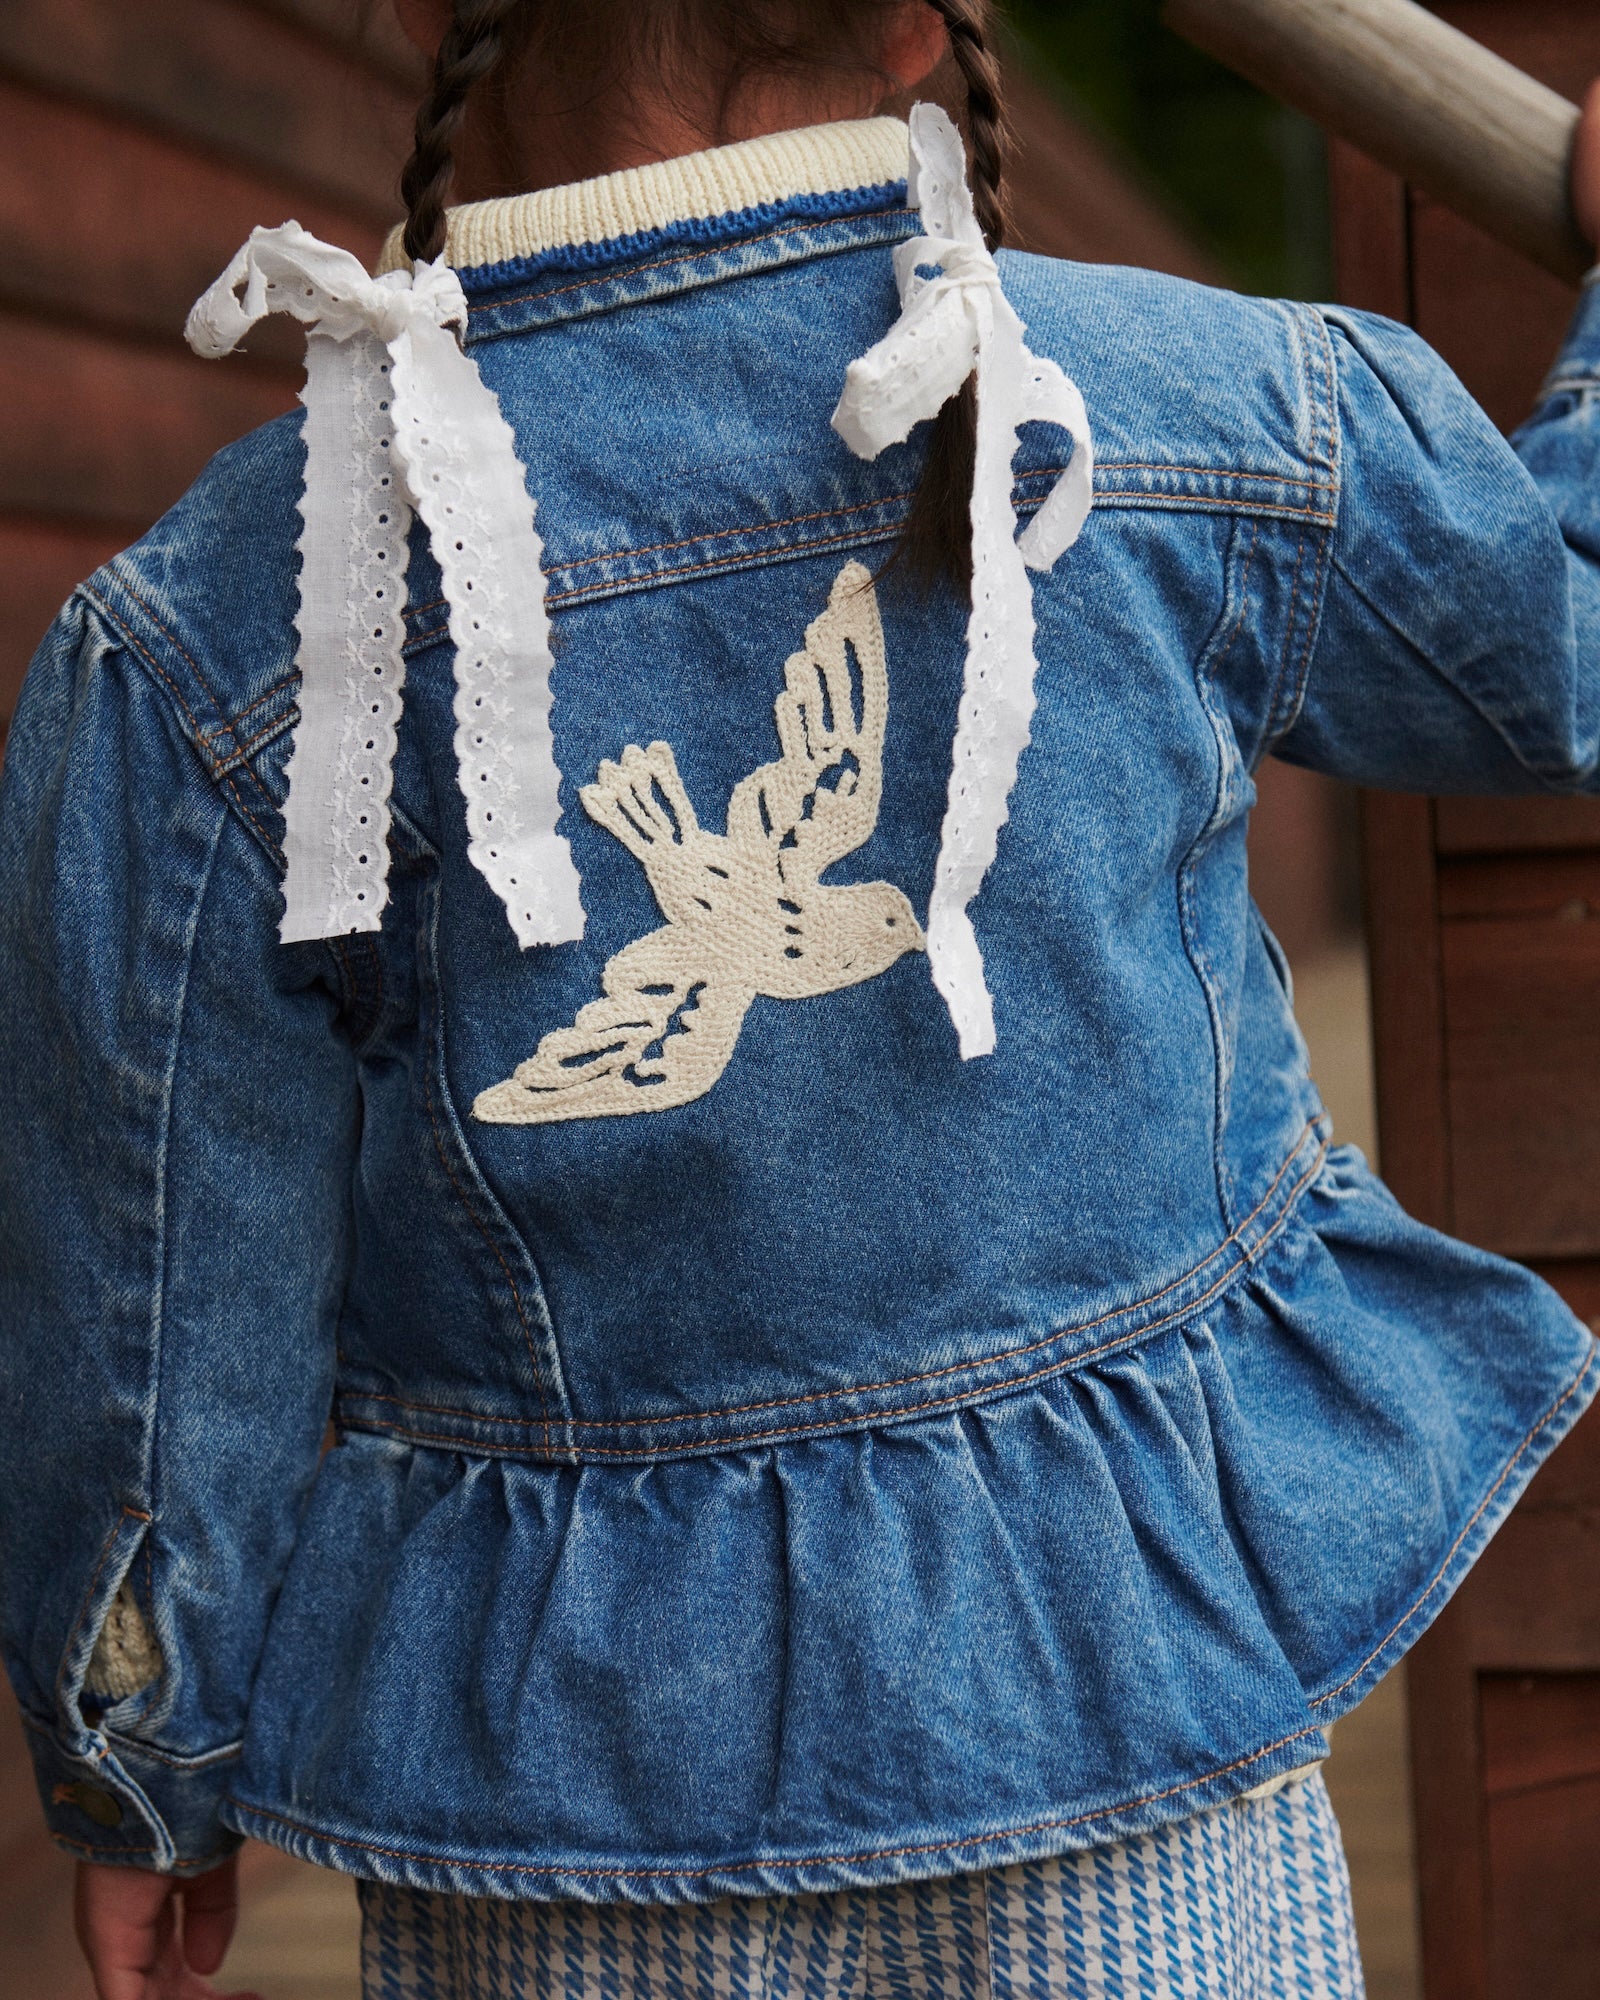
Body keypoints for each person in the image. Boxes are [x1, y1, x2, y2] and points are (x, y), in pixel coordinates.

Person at [4, 2, 1600, 1995]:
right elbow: (1559, 648)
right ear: (929, 20)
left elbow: (160, 1299)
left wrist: (143, 1763)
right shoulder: (1197, 412)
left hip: (573, 1790)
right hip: (1125, 1694)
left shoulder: (228, 617)